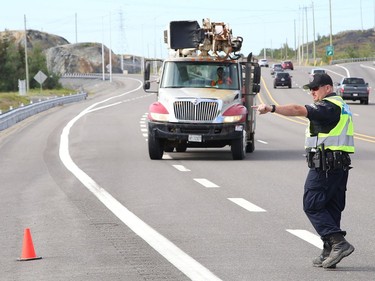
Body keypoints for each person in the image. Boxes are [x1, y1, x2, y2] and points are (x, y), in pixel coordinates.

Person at [253, 73, 355, 269]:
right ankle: (329, 250)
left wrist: (271, 108)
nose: (312, 92)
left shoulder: (329, 106)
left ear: (327, 88)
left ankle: (338, 243)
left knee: (312, 205)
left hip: (326, 166)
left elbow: (298, 109)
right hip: (339, 165)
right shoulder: (341, 105)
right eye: (310, 89)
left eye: (316, 88)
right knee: (331, 208)